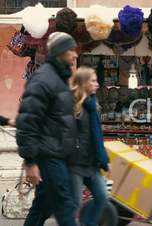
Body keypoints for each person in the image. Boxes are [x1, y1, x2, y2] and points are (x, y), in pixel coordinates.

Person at [16, 32, 79, 226]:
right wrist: (30, 161)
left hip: (59, 154)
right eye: (71, 51)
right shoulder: (43, 80)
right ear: (60, 52)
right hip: (48, 155)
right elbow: (27, 122)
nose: (75, 55)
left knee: (42, 206)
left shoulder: (60, 79)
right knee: (65, 205)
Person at [69, 67, 110, 226]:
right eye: (93, 80)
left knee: (102, 198)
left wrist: (104, 159)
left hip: (92, 164)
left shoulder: (93, 105)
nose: (97, 84)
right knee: (74, 205)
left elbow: (97, 136)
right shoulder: (73, 106)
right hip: (75, 164)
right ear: (83, 83)